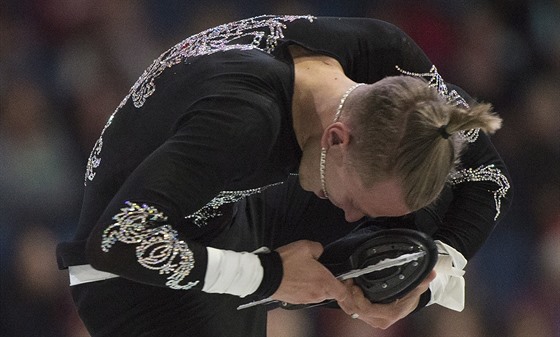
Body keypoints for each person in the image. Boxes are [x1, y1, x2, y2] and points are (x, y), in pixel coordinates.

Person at [56, 15, 512, 336]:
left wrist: (431, 275)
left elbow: (492, 177)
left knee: (427, 220)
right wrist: (267, 275)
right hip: (129, 269)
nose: (353, 218)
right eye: (355, 200)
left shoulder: (391, 66)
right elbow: (118, 240)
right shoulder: (244, 120)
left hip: (229, 207)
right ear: (336, 138)